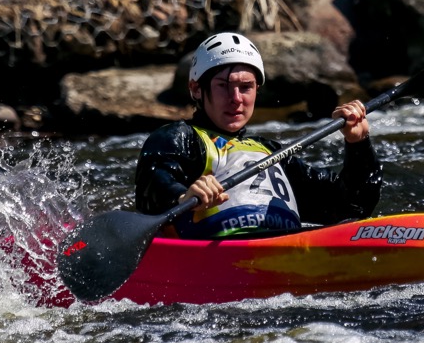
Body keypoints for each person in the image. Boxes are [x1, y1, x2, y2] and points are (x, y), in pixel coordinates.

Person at [135, 32, 381, 238]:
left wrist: (358, 144)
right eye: (223, 86)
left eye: (246, 87)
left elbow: (351, 206)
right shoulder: (180, 137)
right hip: (213, 254)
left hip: (282, 249)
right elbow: (152, 187)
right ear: (196, 89)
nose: (236, 99)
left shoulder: (272, 152)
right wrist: (181, 196)